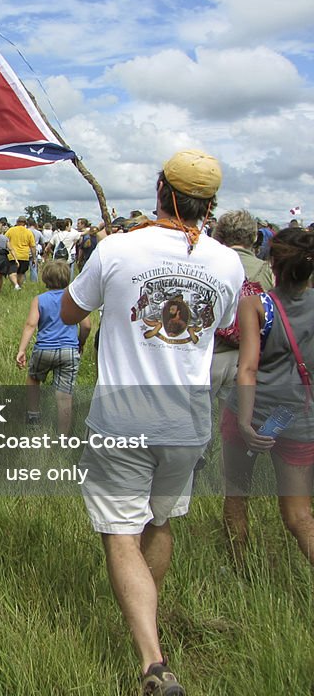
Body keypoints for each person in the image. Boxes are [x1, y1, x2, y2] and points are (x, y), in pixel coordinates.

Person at [60, 150, 243, 695]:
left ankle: (152, 662)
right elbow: (222, 325)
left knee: (121, 533)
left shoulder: (118, 248)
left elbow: (70, 312)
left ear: (160, 189)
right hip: (188, 420)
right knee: (159, 524)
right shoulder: (227, 263)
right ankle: (150, 631)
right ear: (208, 204)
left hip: (122, 417)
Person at [222, 228, 314, 567]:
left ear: (271, 261)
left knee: (236, 494)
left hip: (253, 410)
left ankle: (237, 567)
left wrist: (245, 422)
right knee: (299, 514)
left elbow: (247, 368)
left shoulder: (257, 305)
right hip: (299, 415)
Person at [16, 260, 90, 436]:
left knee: (34, 379)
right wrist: (81, 342)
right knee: (64, 394)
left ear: (45, 278)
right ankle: (62, 435)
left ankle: (33, 417)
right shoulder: (73, 299)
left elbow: (30, 324)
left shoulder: (39, 300)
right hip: (69, 350)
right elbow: (86, 325)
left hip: (44, 348)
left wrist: (22, 349)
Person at [209, 210, 274, 400]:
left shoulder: (208, 266)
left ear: (218, 235)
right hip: (250, 355)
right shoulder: (266, 270)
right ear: (254, 237)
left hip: (213, 352)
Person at [5, 216, 35, 290]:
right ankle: (18, 286)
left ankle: (16, 285)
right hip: (24, 255)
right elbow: (33, 246)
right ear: (25, 223)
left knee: (11, 272)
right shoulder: (29, 232)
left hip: (13, 255)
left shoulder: (11, 230)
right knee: (21, 273)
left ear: (17, 222)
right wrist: (34, 258)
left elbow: (5, 240)